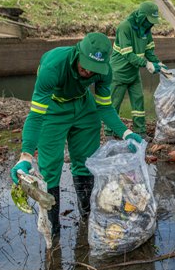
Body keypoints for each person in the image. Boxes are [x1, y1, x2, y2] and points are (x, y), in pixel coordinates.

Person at [10, 32, 142, 238]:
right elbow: (35, 115)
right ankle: (53, 230)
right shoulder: (53, 66)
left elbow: (105, 108)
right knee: (50, 166)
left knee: (86, 160)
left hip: (83, 106)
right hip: (53, 107)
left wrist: (126, 133)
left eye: (94, 68)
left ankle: (87, 218)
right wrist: (25, 155)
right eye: (85, 65)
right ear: (78, 52)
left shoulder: (104, 72)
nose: (88, 71)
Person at [105, 1, 166, 141]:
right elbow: (128, 55)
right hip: (118, 72)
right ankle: (109, 133)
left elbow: (149, 51)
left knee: (138, 102)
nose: (150, 24)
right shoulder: (125, 27)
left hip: (133, 73)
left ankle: (140, 131)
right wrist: (147, 64)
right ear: (141, 16)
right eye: (149, 20)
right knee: (114, 104)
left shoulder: (146, 30)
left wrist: (158, 63)